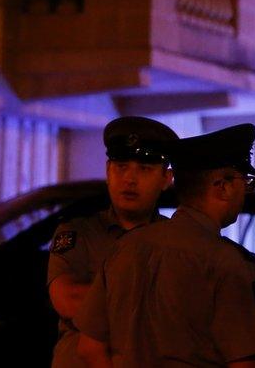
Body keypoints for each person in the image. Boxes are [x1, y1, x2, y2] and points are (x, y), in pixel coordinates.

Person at [76, 124, 255, 367]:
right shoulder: (228, 265)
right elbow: (245, 363)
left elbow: (89, 347)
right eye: (244, 181)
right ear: (224, 186)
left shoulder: (126, 246)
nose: (245, 191)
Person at [46, 116, 177, 368]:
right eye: (121, 166)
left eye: (145, 169)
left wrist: (101, 297)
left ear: (166, 179)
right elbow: (69, 300)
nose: (130, 179)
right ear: (108, 171)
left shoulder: (175, 242)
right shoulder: (78, 233)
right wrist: (153, 299)